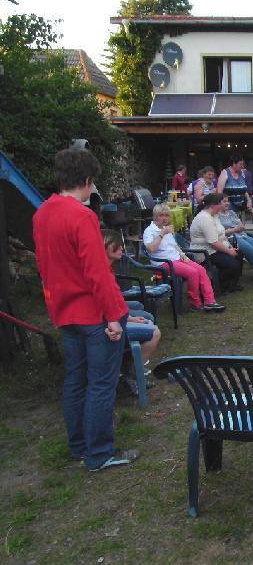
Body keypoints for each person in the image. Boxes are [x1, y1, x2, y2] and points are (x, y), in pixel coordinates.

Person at [32, 148, 138, 471]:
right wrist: (113, 317)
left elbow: (45, 266)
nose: (93, 191)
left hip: (65, 313)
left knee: (75, 381)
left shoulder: (42, 214)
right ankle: (100, 452)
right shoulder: (82, 216)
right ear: (87, 180)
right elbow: (98, 273)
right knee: (101, 384)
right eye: (93, 185)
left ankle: (79, 446)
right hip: (94, 314)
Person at [103, 231, 161, 396]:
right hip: (109, 324)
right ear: (105, 247)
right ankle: (132, 376)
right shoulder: (102, 273)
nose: (122, 248)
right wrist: (128, 319)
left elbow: (115, 301)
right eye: (117, 246)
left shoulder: (106, 269)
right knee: (154, 331)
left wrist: (130, 317)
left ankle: (128, 368)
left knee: (145, 316)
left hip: (113, 318)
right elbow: (107, 304)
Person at [143, 203, 225, 313]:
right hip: (163, 263)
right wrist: (162, 234)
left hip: (176, 259)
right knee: (192, 273)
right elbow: (150, 249)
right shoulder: (150, 231)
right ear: (155, 216)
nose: (164, 218)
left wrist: (182, 254)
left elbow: (174, 245)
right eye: (161, 215)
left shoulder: (165, 229)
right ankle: (195, 304)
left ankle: (210, 301)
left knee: (201, 269)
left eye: (166, 216)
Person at [189, 193, 245, 293]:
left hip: (215, 249)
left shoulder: (214, 215)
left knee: (239, 254)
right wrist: (229, 251)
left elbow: (221, 235)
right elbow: (213, 243)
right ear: (213, 205)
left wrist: (230, 247)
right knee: (233, 264)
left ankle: (232, 284)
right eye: (220, 203)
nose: (222, 206)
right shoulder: (204, 218)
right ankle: (215, 286)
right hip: (205, 253)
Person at [217, 153, 253, 219]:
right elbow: (219, 192)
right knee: (232, 226)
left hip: (241, 205)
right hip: (229, 205)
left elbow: (244, 189)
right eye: (240, 164)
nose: (242, 166)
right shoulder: (225, 173)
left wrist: (249, 200)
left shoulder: (242, 173)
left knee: (240, 226)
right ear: (234, 164)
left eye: (243, 164)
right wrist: (222, 205)